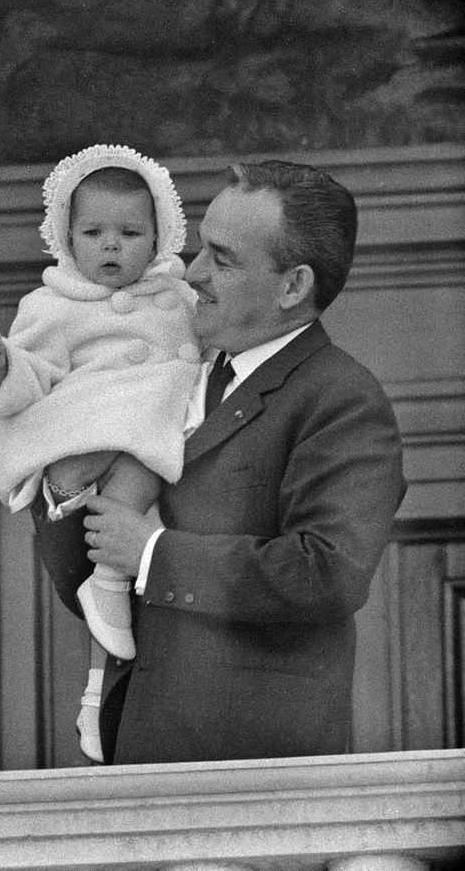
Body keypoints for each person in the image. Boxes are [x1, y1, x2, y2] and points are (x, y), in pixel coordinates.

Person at [33, 159, 407, 765]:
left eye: (223, 259)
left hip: (257, 773)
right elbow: (91, 591)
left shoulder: (342, 398)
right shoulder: (176, 376)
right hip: (143, 756)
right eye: (201, 248)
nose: (193, 271)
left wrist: (153, 553)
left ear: (293, 286)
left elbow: (329, 572)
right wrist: (66, 490)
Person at [0, 144, 201, 762]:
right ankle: (105, 605)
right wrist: (1, 367)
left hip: (158, 443)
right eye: (94, 232)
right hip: (96, 432)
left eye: (130, 233)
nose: (111, 247)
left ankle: (98, 696)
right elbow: (34, 373)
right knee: (115, 574)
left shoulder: (180, 297)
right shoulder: (51, 304)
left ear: (160, 236)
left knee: (127, 614)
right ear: (66, 235)